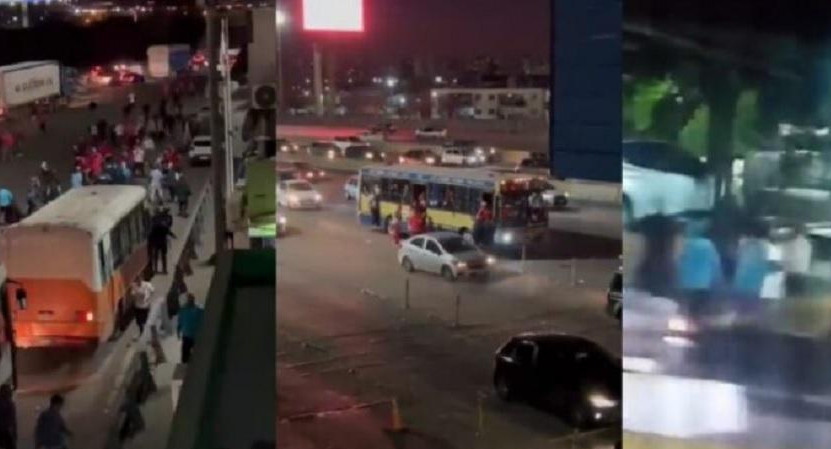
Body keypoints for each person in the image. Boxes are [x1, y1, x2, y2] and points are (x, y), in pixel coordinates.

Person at [178, 294, 203, 363]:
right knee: (186, 355)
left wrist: (179, 331)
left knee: (187, 355)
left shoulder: (198, 310)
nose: (189, 302)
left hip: (194, 336)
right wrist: (178, 331)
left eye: (190, 300)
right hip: (189, 336)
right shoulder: (183, 310)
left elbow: (180, 322)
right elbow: (180, 322)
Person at [0, 384, 16, 449]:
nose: (11, 392)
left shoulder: (8, 401)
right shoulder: (5, 402)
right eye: (9, 391)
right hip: (6, 430)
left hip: (7, 430)